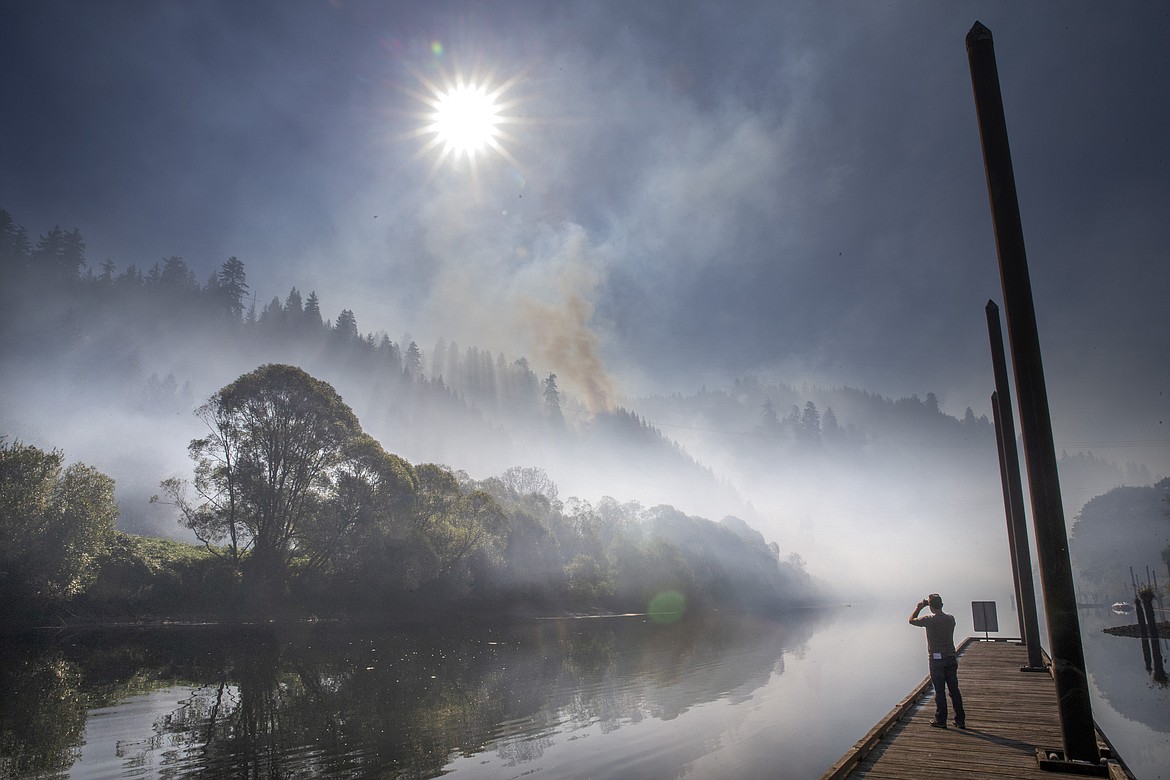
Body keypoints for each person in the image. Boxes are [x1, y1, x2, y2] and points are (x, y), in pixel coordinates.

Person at [909, 593, 966, 729]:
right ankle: (960, 720)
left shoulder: (929, 620)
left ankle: (941, 719)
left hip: (936, 660)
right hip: (951, 658)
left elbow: (911, 620)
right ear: (942, 605)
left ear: (931, 607)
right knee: (954, 690)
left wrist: (919, 607)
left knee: (939, 691)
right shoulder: (950, 619)